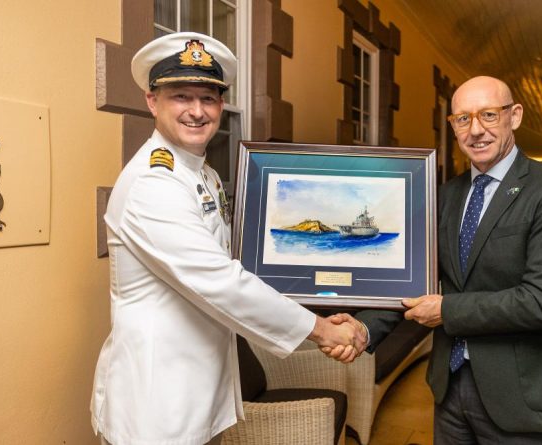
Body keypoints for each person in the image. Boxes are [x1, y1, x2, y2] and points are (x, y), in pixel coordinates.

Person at [90, 32, 366, 445]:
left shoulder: (203, 175)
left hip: (199, 392)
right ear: (152, 101)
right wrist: (323, 330)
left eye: (209, 98)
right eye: (181, 96)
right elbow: (221, 281)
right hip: (158, 405)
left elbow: (243, 264)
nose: (198, 111)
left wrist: (331, 296)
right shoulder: (153, 182)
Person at [331, 76, 542, 444]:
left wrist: (447, 311)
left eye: (488, 114)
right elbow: (415, 280)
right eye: (463, 119)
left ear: (514, 116)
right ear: (453, 126)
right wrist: (363, 329)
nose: (476, 130)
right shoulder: (446, 195)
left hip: (520, 395)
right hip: (450, 386)